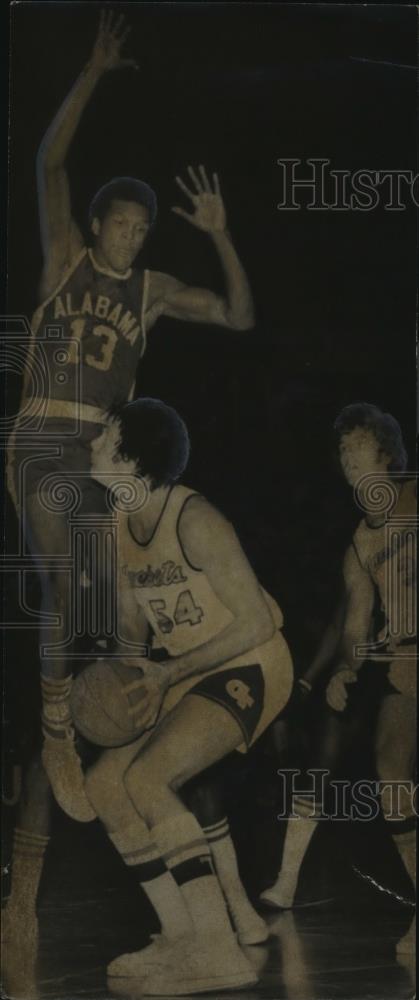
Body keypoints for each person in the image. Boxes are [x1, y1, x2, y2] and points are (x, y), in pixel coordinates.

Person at [6, 11, 255, 822]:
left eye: (143, 229)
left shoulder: (150, 295)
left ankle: (124, 726)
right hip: (46, 435)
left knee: (117, 611)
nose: (132, 235)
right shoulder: (63, 260)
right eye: (122, 222)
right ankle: (53, 725)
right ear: (98, 224)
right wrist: (90, 73)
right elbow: (48, 161)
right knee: (62, 575)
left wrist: (219, 238)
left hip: (104, 457)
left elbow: (238, 317)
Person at [80, 396, 294, 995]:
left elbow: (257, 623)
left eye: (105, 436)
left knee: (150, 779)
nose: (93, 442)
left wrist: (167, 677)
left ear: (130, 458)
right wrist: (112, 694)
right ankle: (181, 936)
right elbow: (131, 637)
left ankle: (218, 950)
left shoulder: (196, 519)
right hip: (191, 672)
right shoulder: (115, 524)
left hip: (253, 664)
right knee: (106, 783)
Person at [262, 404, 416, 956]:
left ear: (387, 453)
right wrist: (346, 668)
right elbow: (354, 624)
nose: (349, 463)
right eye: (343, 455)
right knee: (389, 770)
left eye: (359, 450)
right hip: (405, 666)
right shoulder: (359, 543)